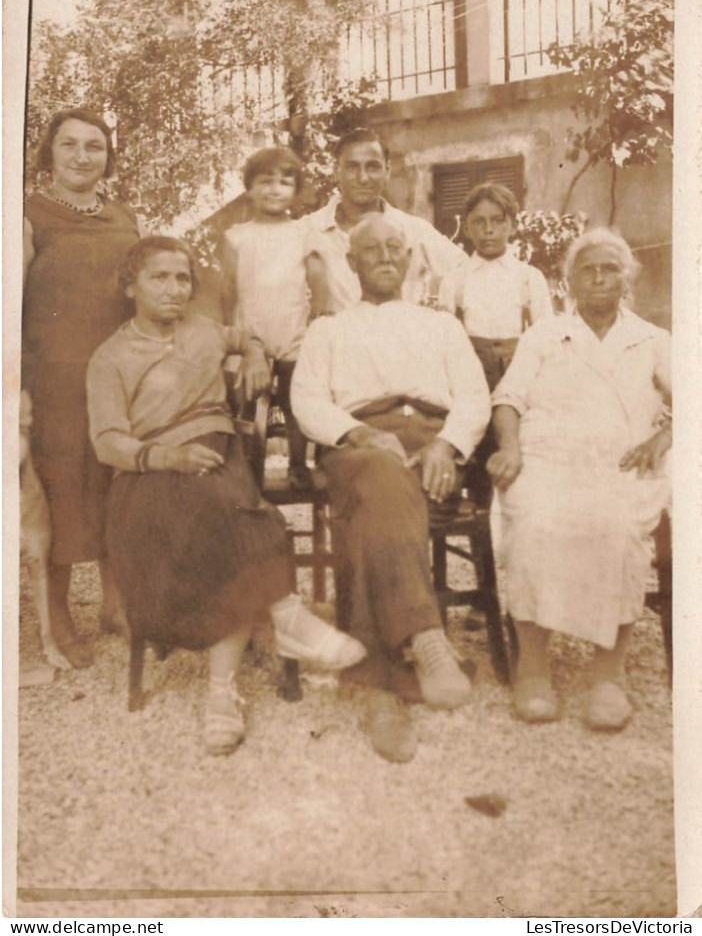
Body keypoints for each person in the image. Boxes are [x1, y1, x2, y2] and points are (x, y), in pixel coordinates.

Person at [86, 236, 366, 756]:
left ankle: (223, 692)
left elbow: (242, 336)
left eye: (183, 278)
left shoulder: (202, 330)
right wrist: (166, 457)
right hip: (150, 472)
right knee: (237, 519)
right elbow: (107, 441)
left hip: (217, 452)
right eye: (159, 278)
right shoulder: (111, 357)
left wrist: (255, 352)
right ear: (130, 287)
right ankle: (284, 618)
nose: (175, 289)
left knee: (228, 506)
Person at [291, 214, 491, 763]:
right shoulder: (329, 328)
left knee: (370, 515)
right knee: (379, 477)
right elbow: (307, 400)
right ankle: (425, 637)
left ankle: (381, 692)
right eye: (370, 250)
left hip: (432, 447)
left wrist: (448, 447)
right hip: (358, 447)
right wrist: (358, 432)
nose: (383, 257)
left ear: (409, 260)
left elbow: (474, 397)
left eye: (394, 248)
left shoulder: (442, 326)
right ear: (351, 265)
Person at [487, 227, 671, 732]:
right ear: (569, 282)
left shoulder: (653, 339)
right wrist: (510, 446)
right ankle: (534, 668)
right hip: (546, 460)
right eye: (586, 270)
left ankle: (608, 676)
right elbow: (508, 400)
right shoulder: (544, 335)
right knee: (534, 522)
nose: (598, 278)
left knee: (616, 527)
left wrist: (665, 437)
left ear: (626, 277)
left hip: (621, 464)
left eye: (609, 268)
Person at [22, 108, 141, 668]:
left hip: (117, 379)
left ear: (107, 157)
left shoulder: (125, 218)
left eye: (94, 146)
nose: (80, 156)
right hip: (54, 382)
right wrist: (15, 390)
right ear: (49, 153)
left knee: (117, 488)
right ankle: (60, 612)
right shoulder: (25, 216)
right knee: (61, 493)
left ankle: (116, 607)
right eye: (67, 145)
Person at [222, 147, 326, 488]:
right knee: (243, 404)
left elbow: (318, 283)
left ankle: (298, 464)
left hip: (293, 334)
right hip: (250, 336)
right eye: (265, 182)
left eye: (285, 182)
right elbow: (228, 291)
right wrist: (233, 336)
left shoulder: (303, 234)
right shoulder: (237, 237)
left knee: (298, 401)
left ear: (295, 192)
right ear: (249, 188)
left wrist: (318, 326)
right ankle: (246, 469)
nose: (274, 189)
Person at [302, 127, 466, 313]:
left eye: (373, 167)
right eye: (352, 167)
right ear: (336, 171)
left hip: (401, 337)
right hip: (335, 340)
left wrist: (441, 309)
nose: (363, 178)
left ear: (387, 171)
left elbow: (468, 273)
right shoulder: (306, 232)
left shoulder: (414, 230)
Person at [439, 183, 553, 392]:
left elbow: (546, 342)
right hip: (468, 384)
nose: (488, 230)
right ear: (466, 228)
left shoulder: (529, 279)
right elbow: (444, 346)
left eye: (498, 221)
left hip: (520, 382)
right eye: (478, 222)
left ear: (513, 226)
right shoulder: (455, 282)